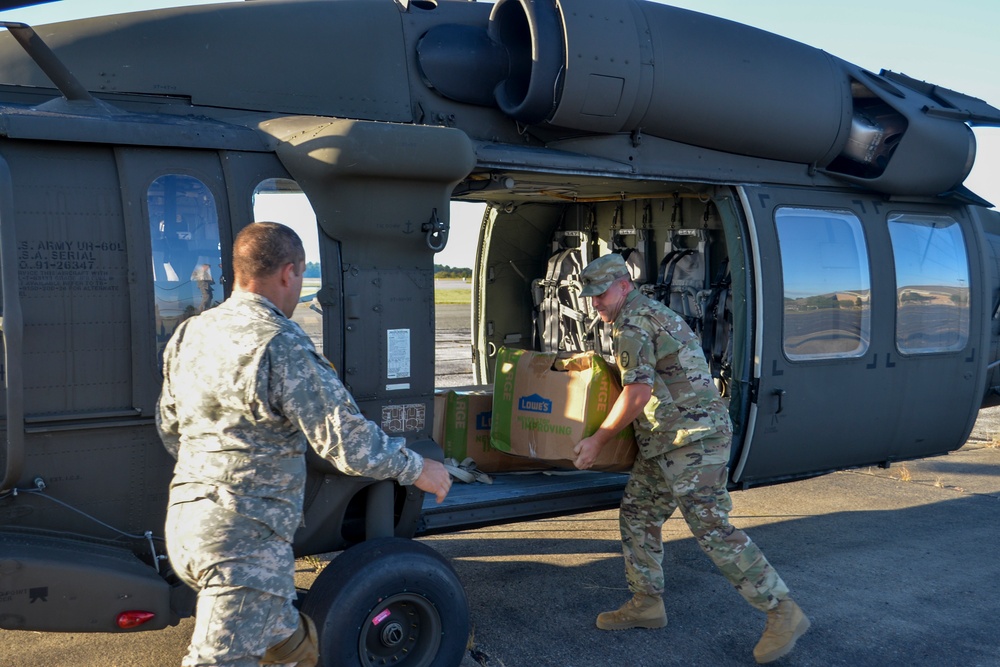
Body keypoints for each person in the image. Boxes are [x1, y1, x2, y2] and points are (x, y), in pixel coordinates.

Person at [157, 221, 452, 667]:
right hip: (244, 542)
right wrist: (418, 468)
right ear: (289, 273)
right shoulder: (279, 342)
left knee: (291, 647)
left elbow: (169, 427)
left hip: (187, 526)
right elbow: (346, 441)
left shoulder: (191, 334)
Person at [572, 253, 809, 665]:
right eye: (590, 296)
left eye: (601, 294)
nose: (596, 303)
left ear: (624, 286)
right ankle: (647, 603)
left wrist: (598, 439)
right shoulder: (648, 311)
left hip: (691, 440)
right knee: (638, 512)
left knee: (712, 528)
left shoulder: (632, 322)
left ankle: (782, 611)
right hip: (669, 438)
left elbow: (637, 393)